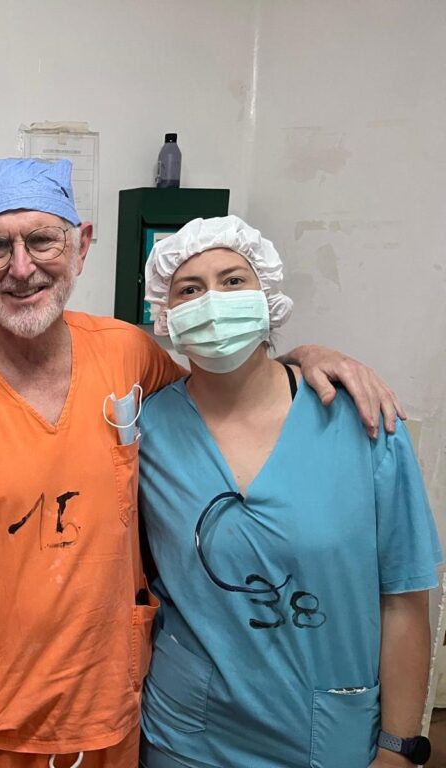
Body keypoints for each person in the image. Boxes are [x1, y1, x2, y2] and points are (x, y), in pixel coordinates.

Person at [0, 158, 404, 768]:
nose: (21, 267)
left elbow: (223, 389)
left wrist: (303, 356)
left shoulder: (127, 353)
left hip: (114, 709)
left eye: (42, 240)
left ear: (82, 244)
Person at [136, 216, 441, 768]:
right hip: (186, 735)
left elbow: (403, 599)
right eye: (190, 289)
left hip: (328, 733)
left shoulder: (365, 421)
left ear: (268, 298)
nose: (214, 302)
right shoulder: (147, 432)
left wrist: (399, 748)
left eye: (233, 281)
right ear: (166, 314)